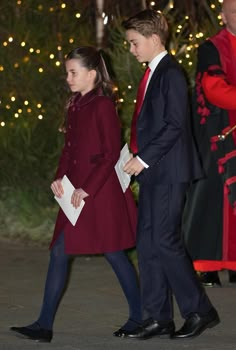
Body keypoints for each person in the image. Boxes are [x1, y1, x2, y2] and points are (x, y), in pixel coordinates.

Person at [10, 46, 142, 342]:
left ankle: (139, 315)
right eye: (67, 72)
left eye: (73, 72)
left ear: (92, 74)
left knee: (114, 252)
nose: (68, 77)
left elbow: (109, 155)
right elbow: (69, 152)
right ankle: (44, 324)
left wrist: (87, 189)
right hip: (76, 192)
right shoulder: (75, 104)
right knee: (60, 251)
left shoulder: (103, 105)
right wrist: (60, 179)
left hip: (99, 193)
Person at [121, 9, 220, 340]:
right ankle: (157, 316)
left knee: (165, 241)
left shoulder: (171, 74)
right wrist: (135, 153)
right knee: (147, 243)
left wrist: (143, 158)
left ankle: (199, 310)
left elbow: (175, 125)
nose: (131, 50)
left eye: (134, 43)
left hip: (168, 171)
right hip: (154, 170)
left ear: (153, 39)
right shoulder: (153, 73)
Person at [182, 0, 236, 287]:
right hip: (218, 134)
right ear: (223, 15)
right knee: (212, 199)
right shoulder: (211, 48)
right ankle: (208, 266)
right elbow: (213, 88)